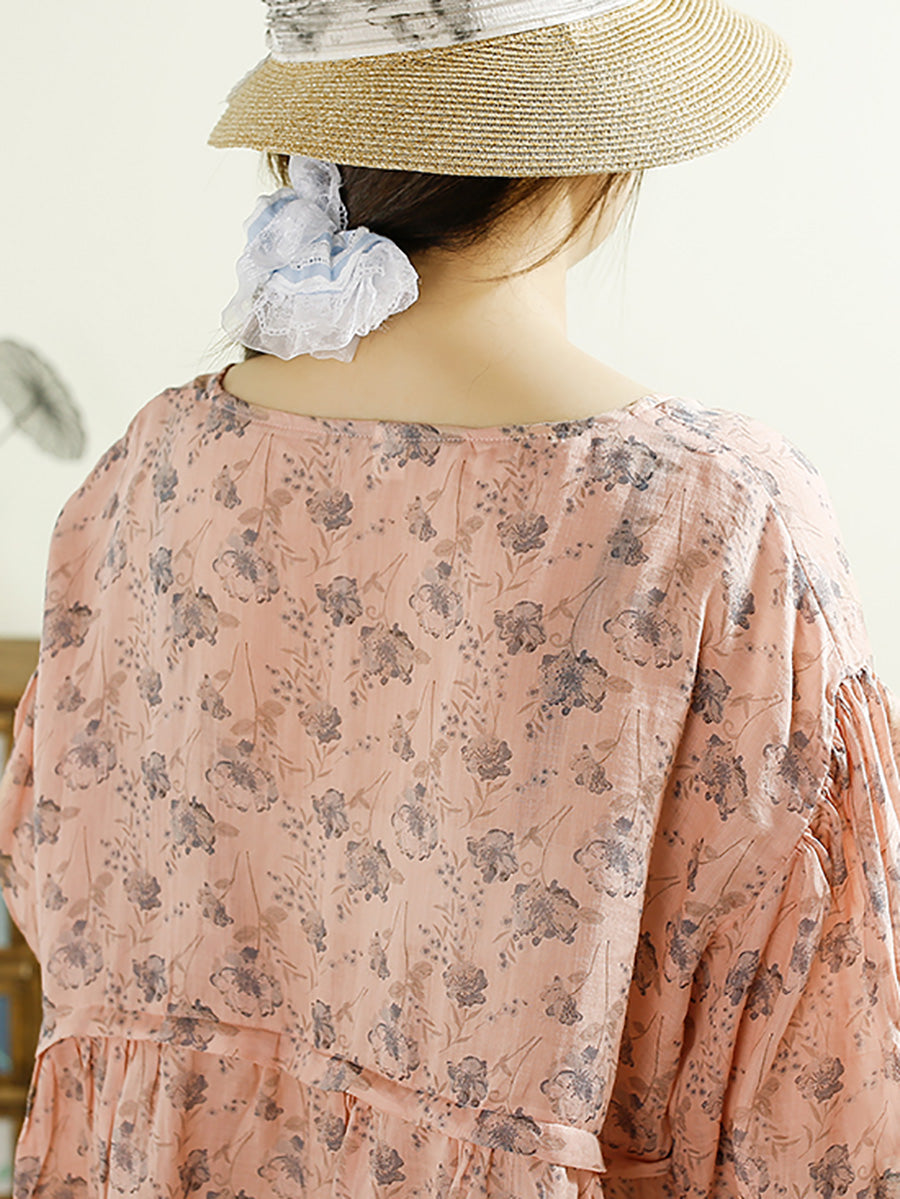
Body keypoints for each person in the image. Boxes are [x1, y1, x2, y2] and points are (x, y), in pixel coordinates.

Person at [1, 2, 898, 1197]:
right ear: (596, 151)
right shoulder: (713, 520)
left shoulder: (150, 470)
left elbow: (57, 885)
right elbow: (817, 1078)